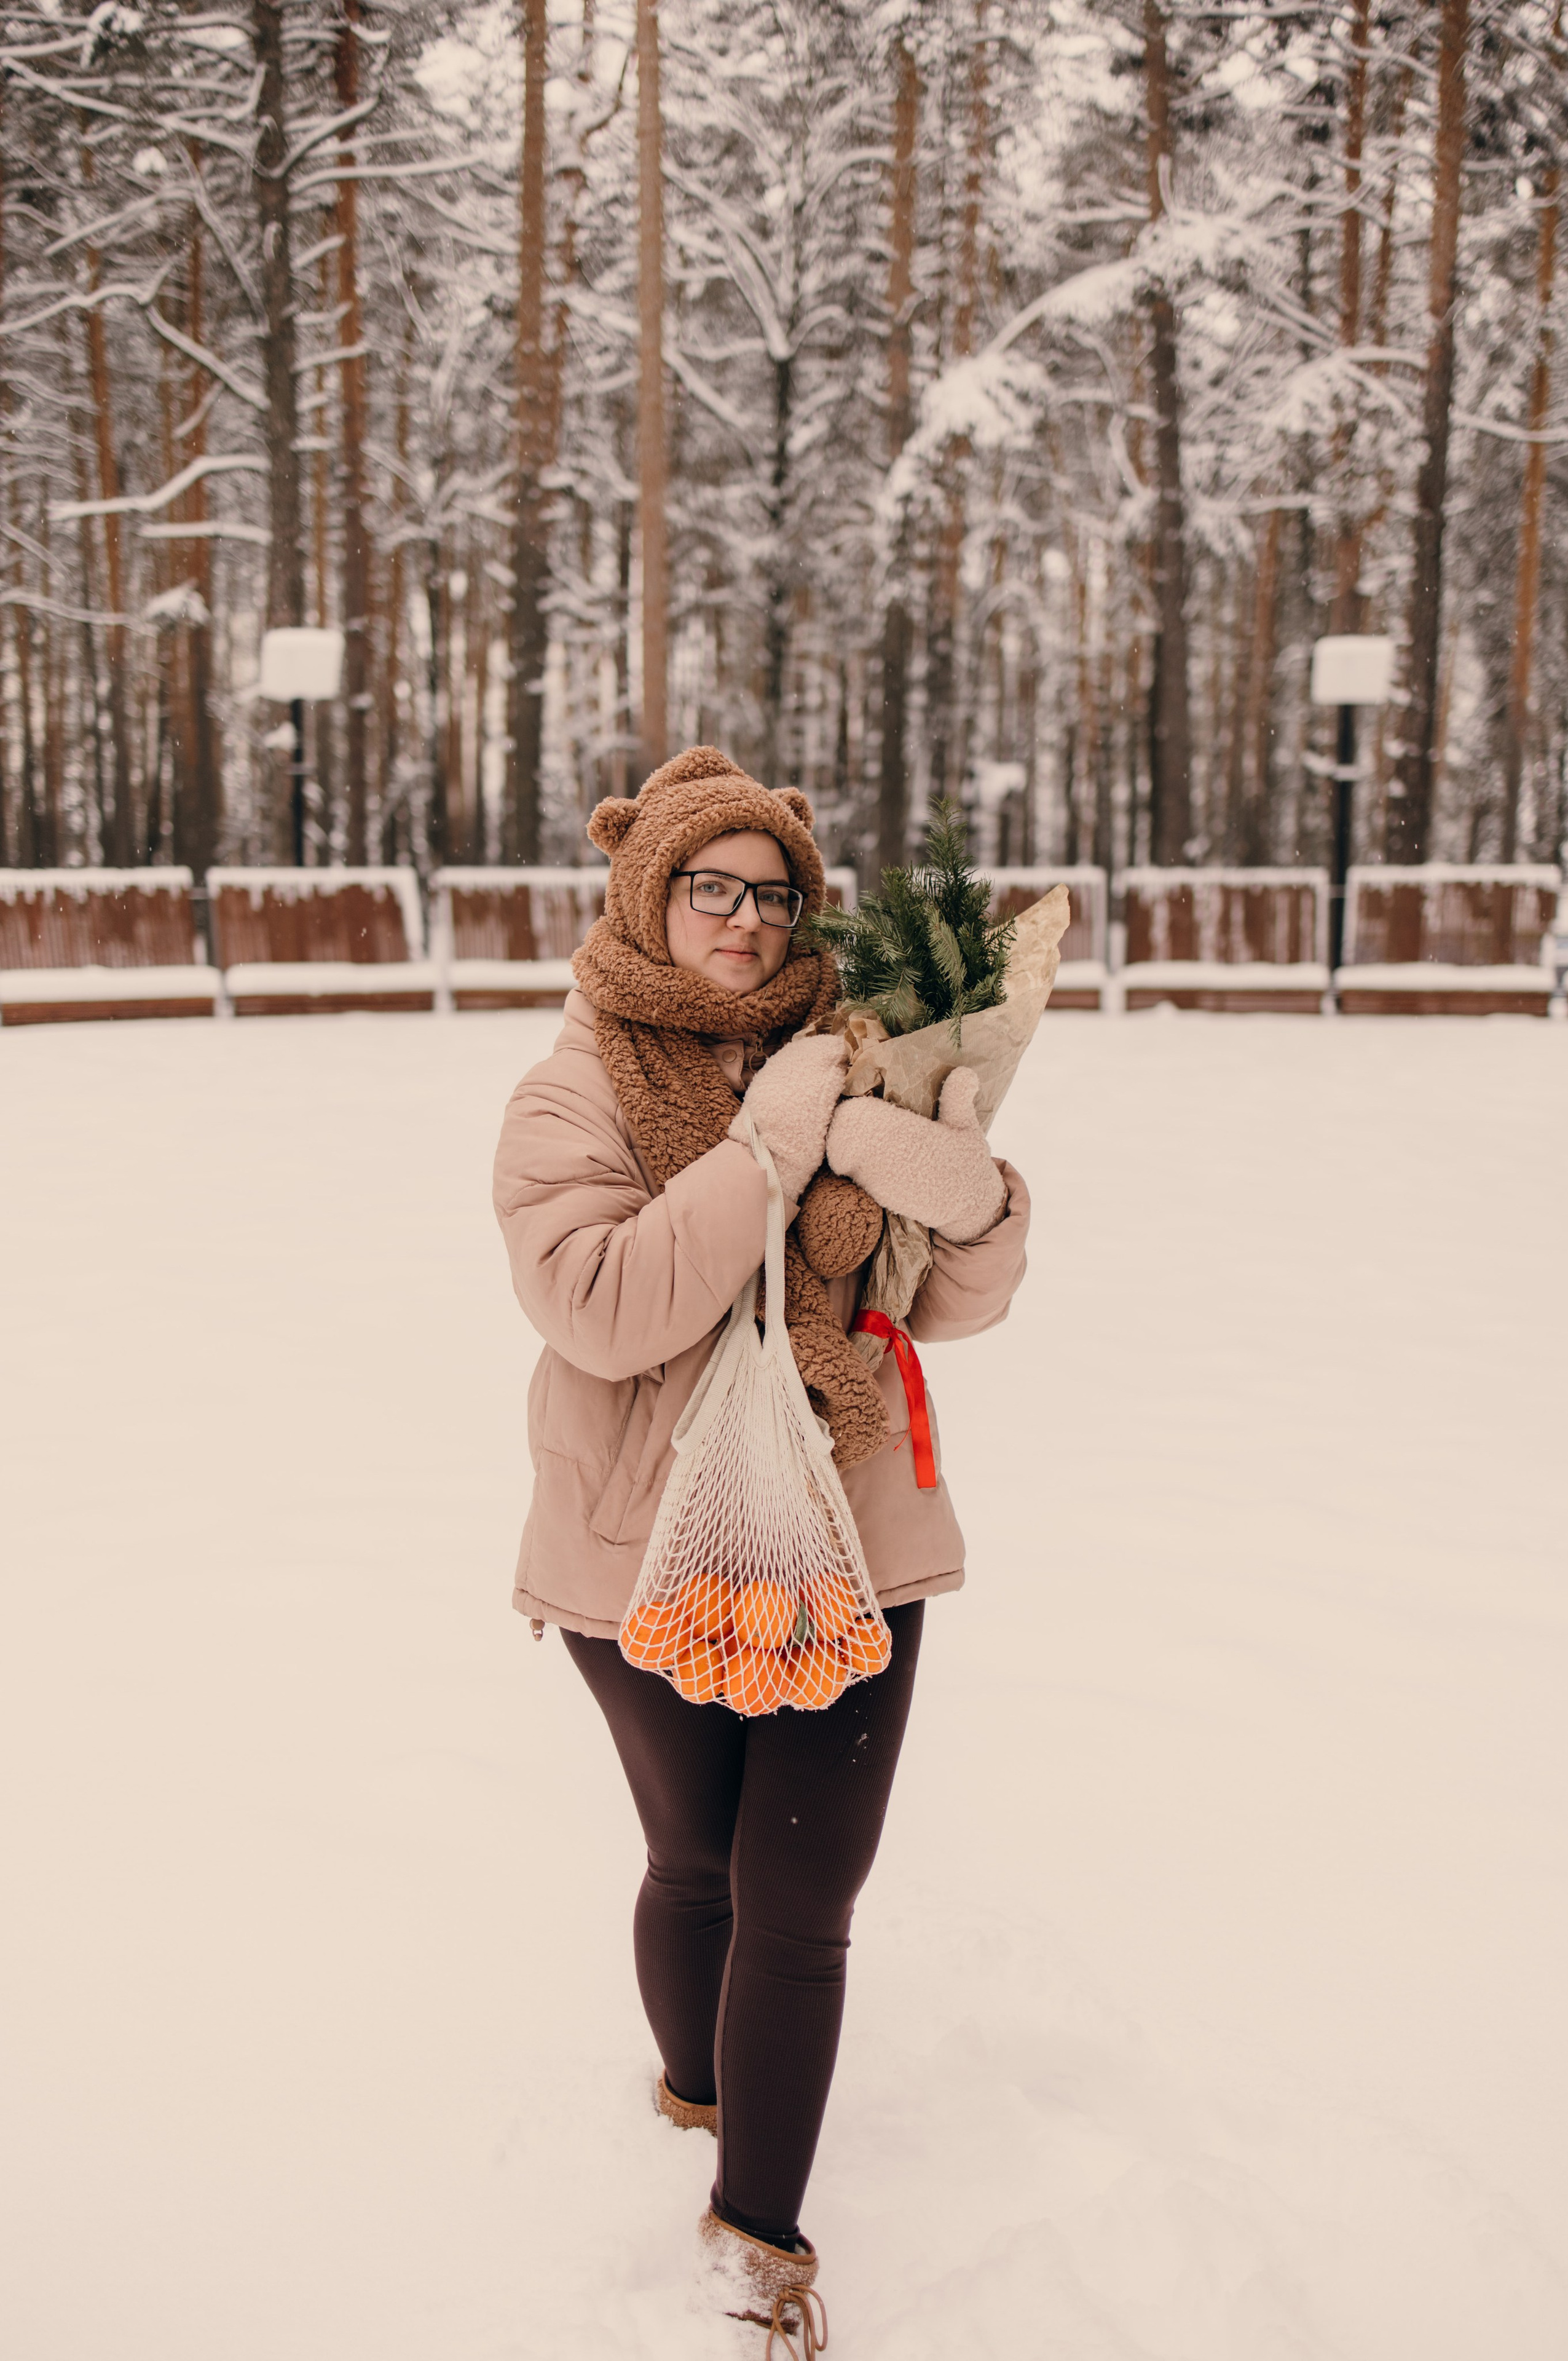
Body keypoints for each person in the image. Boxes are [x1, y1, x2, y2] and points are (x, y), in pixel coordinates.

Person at [492, 745, 1030, 2353]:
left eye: (771, 890)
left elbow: (946, 1299)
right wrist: (767, 1153)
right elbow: (602, 1306)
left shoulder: (861, 1051)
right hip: (638, 1549)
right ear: (649, 894)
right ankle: (692, 2088)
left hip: (854, 1536)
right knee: (700, 1864)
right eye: (708, 887)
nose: (741, 919)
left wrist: (971, 1195)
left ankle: (757, 2235)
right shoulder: (570, 1092)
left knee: (800, 1897)